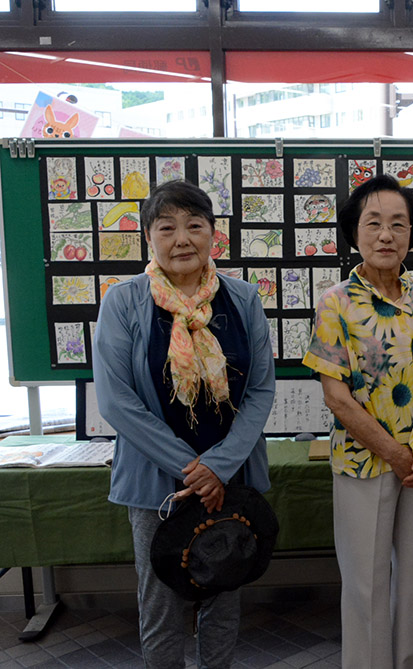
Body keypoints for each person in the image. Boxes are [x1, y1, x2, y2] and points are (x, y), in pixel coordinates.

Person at [93, 179, 276, 668]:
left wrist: (219, 467)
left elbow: (260, 390)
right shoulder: (123, 301)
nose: (182, 239)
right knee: (161, 604)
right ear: (149, 237)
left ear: (213, 235)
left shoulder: (241, 299)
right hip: (157, 484)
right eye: (167, 227)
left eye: (195, 226)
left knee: (224, 591)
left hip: (231, 479)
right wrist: (193, 468)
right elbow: (115, 399)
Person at [302, 174, 413, 669]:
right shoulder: (336, 303)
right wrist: (393, 451)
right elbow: (337, 397)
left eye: (398, 224)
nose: (386, 235)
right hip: (363, 461)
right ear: (355, 232)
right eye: (374, 224)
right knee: (366, 582)